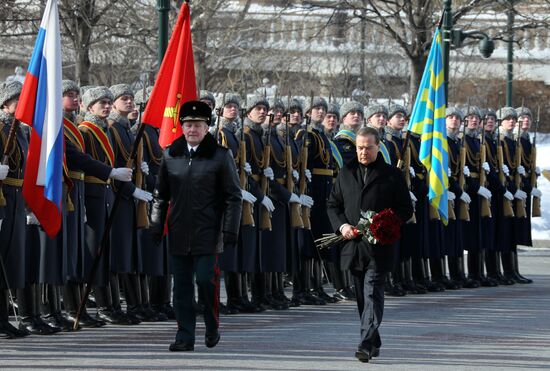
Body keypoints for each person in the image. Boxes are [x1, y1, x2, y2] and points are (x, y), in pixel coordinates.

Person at [151, 100, 242, 352]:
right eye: (188, 125)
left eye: (198, 125)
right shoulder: (171, 155)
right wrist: (156, 225)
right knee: (180, 287)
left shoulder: (220, 156)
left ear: (207, 128)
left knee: (205, 281)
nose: (192, 129)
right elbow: (161, 195)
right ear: (181, 127)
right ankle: (185, 335)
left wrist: (230, 230)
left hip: (208, 231)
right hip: (179, 230)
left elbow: (234, 196)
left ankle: (212, 325)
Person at [327, 127, 413, 363]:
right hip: (354, 244)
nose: (363, 152)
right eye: (359, 148)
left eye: (368, 148)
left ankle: (365, 343)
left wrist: (386, 222)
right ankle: (373, 338)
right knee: (362, 297)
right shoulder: (346, 172)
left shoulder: (391, 175)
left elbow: (406, 209)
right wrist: (342, 226)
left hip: (380, 245)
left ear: (377, 148)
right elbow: (333, 205)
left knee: (373, 290)